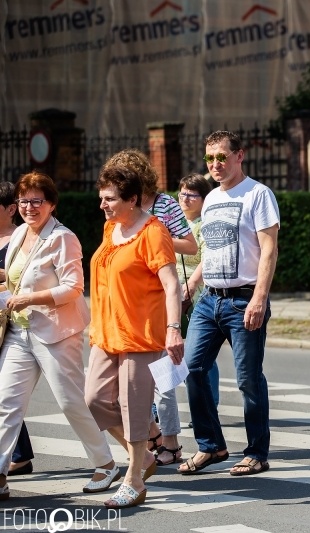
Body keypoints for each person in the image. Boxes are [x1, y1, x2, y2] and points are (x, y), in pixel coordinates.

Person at [0, 172, 118, 503]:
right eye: (24, 200)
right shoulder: (21, 233)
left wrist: (29, 298)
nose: (29, 207)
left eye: (37, 201)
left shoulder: (63, 238)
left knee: (70, 402)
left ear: (51, 204)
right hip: (19, 332)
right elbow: (17, 277)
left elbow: (73, 288)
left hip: (55, 333)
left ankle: (105, 463)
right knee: (6, 405)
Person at [179, 130, 279, 477]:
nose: (216, 165)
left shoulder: (258, 194)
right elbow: (211, 251)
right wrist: (191, 286)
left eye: (222, 157)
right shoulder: (210, 200)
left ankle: (257, 452)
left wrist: (259, 298)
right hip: (210, 300)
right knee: (192, 368)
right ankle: (211, 446)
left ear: (240, 155)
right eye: (210, 159)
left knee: (248, 379)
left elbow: (269, 249)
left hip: (243, 300)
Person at [85, 164, 184, 508]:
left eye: (110, 199)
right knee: (95, 399)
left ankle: (134, 479)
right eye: (102, 199)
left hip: (141, 334)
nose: (103, 205)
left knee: (133, 404)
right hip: (107, 331)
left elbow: (171, 284)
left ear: (133, 200)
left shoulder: (153, 232)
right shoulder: (111, 227)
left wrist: (174, 329)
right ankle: (147, 449)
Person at [100, 149, 195, 466]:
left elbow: (191, 245)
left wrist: (155, 238)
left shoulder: (164, 205)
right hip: (128, 307)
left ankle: (169, 442)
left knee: (164, 382)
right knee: (124, 391)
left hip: (160, 298)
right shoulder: (115, 216)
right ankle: (153, 438)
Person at [176, 173, 220, 414]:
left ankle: (208, 405)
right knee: (166, 350)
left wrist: (192, 284)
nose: (185, 198)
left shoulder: (206, 225)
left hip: (198, 293)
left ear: (204, 199)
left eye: (192, 194)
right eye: (182, 193)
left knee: (201, 352)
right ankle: (158, 408)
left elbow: (208, 258)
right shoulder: (173, 224)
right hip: (171, 292)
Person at [0, 182, 34, 477]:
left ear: (11, 210)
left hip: (11, 324)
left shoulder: (18, 238)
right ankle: (20, 453)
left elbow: (25, 278)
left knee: (7, 393)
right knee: (5, 396)